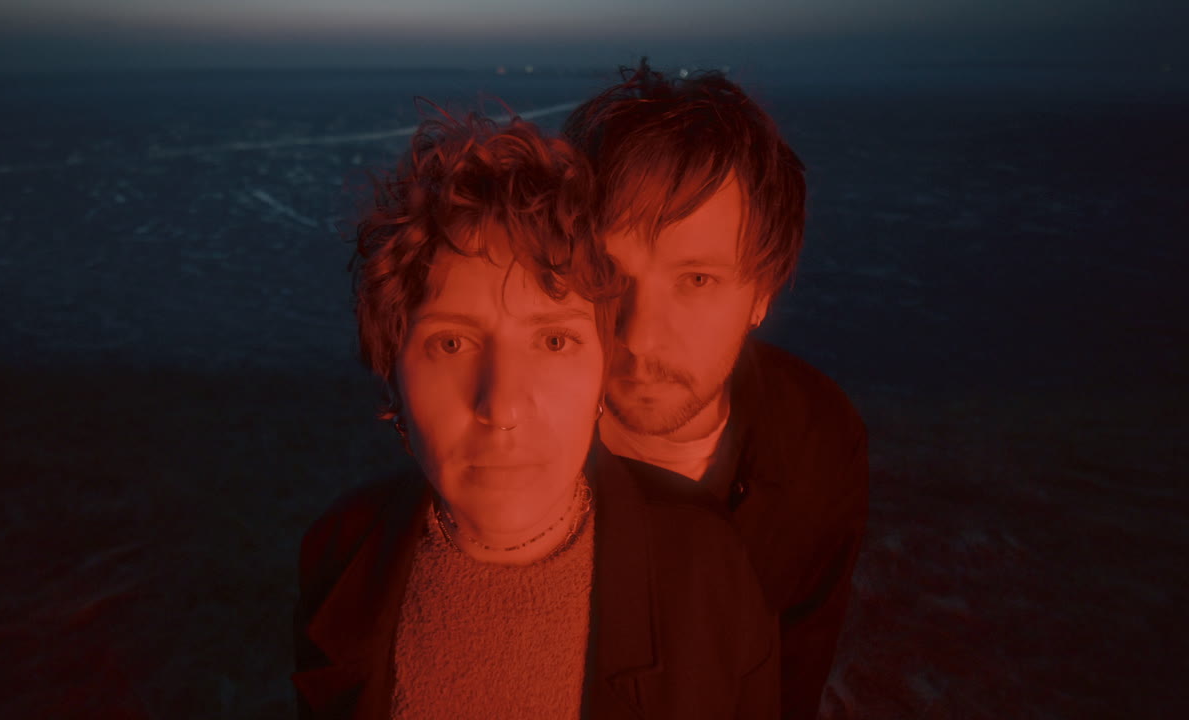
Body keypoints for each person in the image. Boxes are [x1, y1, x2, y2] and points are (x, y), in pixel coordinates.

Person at [293, 107, 780, 719]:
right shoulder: (339, 553)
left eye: (553, 341)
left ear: (602, 373)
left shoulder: (708, 568)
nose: (501, 405)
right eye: (451, 342)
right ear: (393, 375)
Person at [563, 60, 870, 720]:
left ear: (761, 291)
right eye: (609, 274)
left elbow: (798, 663)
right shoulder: (509, 448)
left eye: (696, 279)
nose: (640, 335)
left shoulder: (819, 439)